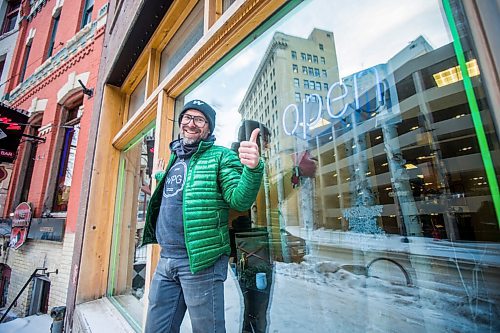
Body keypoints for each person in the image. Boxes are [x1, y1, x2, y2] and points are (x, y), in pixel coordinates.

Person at [142, 99, 264, 333]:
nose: (192, 123)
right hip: (167, 259)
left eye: (200, 119)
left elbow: (239, 199)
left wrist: (252, 169)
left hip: (200, 263)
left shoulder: (220, 156)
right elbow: (181, 195)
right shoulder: (174, 158)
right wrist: (160, 179)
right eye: (187, 118)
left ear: (208, 127)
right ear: (180, 124)